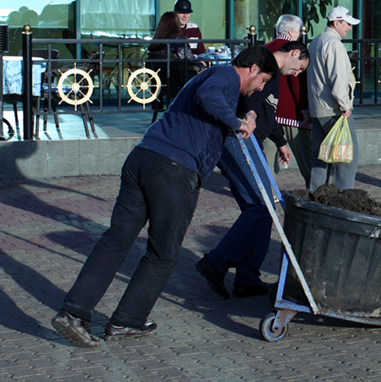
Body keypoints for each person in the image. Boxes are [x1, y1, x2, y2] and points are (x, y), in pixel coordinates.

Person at [51, 45, 278, 348]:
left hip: (143, 159)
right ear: (252, 68)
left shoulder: (213, 81)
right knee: (163, 254)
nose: (261, 87)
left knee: (117, 240)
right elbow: (209, 98)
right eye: (263, 80)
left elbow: (208, 118)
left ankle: (73, 313)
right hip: (173, 171)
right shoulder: (224, 76)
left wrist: (241, 120)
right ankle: (126, 321)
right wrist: (238, 122)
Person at [196, 40, 310, 299]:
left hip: (249, 141)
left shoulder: (274, 76)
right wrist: (249, 118)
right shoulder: (266, 70)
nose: (297, 74)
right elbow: (253, 102)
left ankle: (247, 277)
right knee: (262, 206)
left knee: (259, 209)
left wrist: (280, 142)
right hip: (240, 140)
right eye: (300, 67)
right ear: (294, 53)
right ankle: (217, 262)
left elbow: (266, 110)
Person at [307, 6, 359, 192]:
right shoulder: (334, 44)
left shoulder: (316, 42)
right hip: (334, 109)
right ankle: (343, 197)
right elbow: (338, 78)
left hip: (318, 108)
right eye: (347, 24)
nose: (349, 28)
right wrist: (345, 104)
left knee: (321, 155)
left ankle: (315, 194)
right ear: (336, 22)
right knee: (346, 157)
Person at [273, 14, 313, 187]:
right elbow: (297, 84)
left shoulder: (267, 48)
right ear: (291, 31)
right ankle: (315, 190)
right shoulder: (294, 52)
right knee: (306, 156)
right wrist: (304, 110)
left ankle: (267, 194)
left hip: (269, 114)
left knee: (267, 158)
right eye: (298, 31)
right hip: (291, 113)